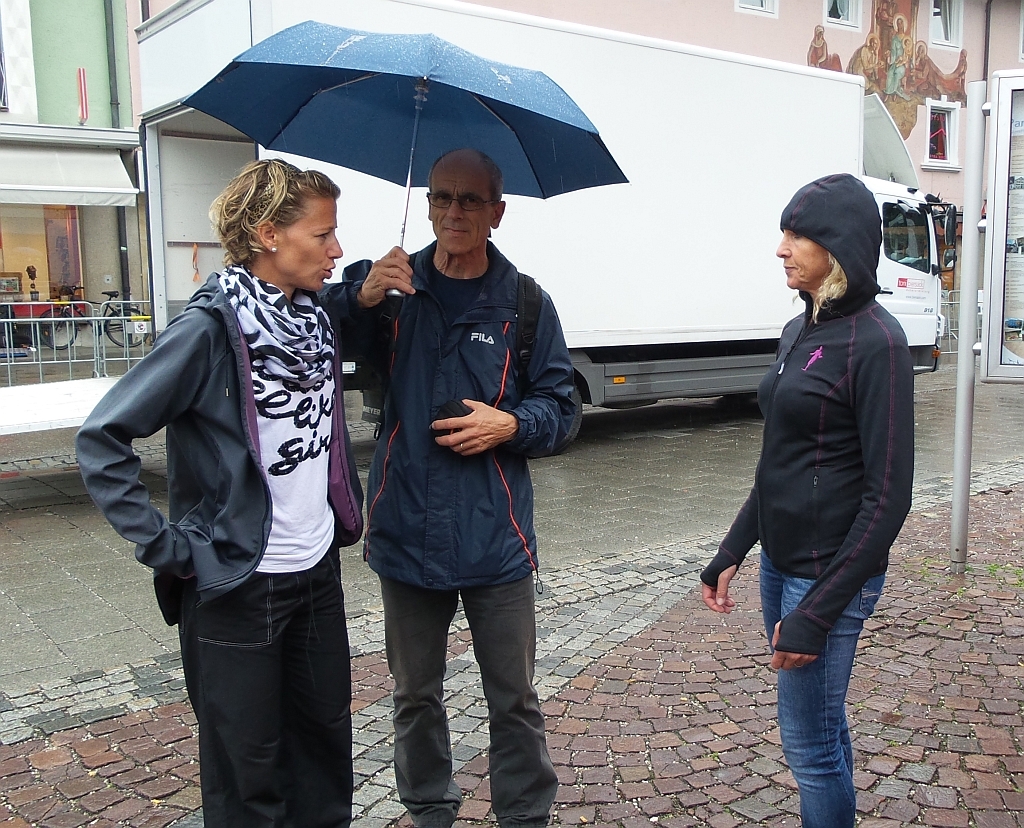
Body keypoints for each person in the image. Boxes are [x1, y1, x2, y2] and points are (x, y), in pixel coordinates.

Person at [76, 159, 364, 828]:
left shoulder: (312, 324)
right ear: (269, 235)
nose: (337, 250)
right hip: (237, 583)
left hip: (315, 571)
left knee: (324, 758)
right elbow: (102, 438)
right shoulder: (208, 330)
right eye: (323, 235)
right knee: (245, 777)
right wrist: (169, 546)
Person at [322, 148, 575, 828]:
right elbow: (315, 331)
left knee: (514, 695)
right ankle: (430, 809)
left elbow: (563, 408)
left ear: (497, 212)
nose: (452, 212)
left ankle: (524, 816)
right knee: (413, 693)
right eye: (441, 197)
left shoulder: (524, 303)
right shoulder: (394, 290)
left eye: (469, 200)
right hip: (405, 528)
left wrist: (511, 424)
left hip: (496, 536)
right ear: (428, 204)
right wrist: (361, 295)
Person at [699, 173, 914, 828]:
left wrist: (818, 612)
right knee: (822, 727)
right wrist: (733, 548)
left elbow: (889, 498)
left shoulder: (879, 342)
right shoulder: (801, 329)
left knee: (810, 747)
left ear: (839, 245)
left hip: (830, 573)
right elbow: (780, 462)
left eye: (797, 234)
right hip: (781, 564)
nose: (781, 247)